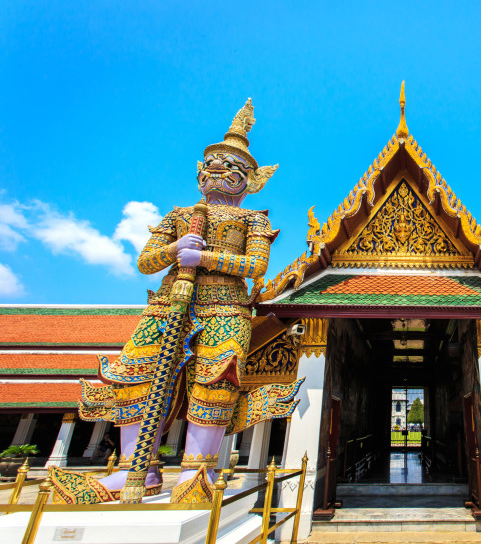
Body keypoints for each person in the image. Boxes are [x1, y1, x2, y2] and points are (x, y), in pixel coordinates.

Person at [50, 100, 302, 504]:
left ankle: (196, 470)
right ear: (200, 173)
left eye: (232, 167)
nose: (219, 172)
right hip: (170, 304)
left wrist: (201, 257)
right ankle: (139, 468)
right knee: (139, 376)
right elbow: (145, 261)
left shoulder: (252, 219)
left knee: (216, 380)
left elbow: (256, 267)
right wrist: (174, 251)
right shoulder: (179, 214)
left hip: (226, 307)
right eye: (213, 165)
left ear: (252, 180)